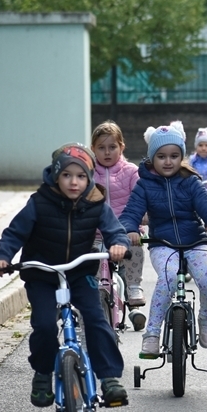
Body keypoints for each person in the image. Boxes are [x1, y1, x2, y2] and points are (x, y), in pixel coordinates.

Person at [0, 144, 130, 407]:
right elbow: (14, 233)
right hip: (42, 274)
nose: (74, 182)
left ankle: (109, 378)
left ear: (89, 178)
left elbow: (115, 230)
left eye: (80, 176)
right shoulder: (39, 202)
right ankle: (43, 373)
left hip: (79, 273)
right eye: (67, 175)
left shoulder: (96, 203)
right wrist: (3, 257)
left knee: (96, 319)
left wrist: (118, 245)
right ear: (56, 176)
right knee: (44, 325)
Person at [119, 122, 207, 357]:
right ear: (152, 158)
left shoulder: (190, 181)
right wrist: (130, 230)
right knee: (168, 278)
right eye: (161, 156)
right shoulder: (144, 185)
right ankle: (152, 333)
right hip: (162, 244)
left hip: (195, 241)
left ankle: (206, 319)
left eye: (174, 156)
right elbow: (131, 212)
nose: (168, 161)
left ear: (181, 157)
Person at [90, 120, 146, 307]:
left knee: (135, 247)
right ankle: (96, 297)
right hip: (96, 234)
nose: (107, 152)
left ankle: (134, 286)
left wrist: (141, 221)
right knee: (91, 262)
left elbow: (140, 200)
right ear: (93, 149)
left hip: (125, 232)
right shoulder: (87, 173)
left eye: (112, 147)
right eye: (101, 148)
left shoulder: (131, 172)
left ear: (121, 147)